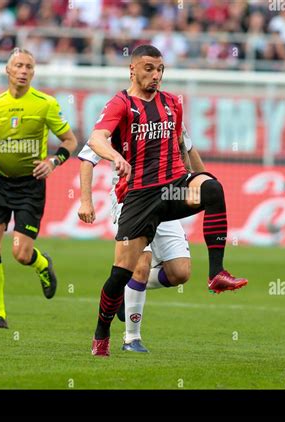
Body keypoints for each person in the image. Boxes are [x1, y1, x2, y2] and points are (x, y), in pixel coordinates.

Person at [83, 44, 248, 357]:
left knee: (213, 189)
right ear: (132, 69)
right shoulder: (121, 104)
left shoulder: (172, 103)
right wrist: (116, 157)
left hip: (173, 188)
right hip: (138, 196)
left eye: (160, 69)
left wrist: (201, 178)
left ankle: (216, 274)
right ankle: (102, 331)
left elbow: (184, 146)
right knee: (121, 273)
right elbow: (94, 140)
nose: (155, 75)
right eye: (148, 68)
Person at [0, 48, 78, 329]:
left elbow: (71, 141)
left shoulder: (45, 104)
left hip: (30, 186)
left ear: (33, 72)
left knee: (21, 254)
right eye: (19, 66)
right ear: (8, 71)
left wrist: (53, 162)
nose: (24, 71)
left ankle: (41, 263)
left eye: (29, 67)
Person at [78, 123, 206, 353]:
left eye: (159, 82)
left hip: (166, 197)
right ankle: (131, 339)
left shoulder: (169, 111)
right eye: (150, 82)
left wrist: (205, 184)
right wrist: (86, 201)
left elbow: (188, 148)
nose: (155, 84)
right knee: (141, 266)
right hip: (130, 201)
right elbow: (88, 157)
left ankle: (124, 289)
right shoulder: (120, 113)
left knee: (180, 272)